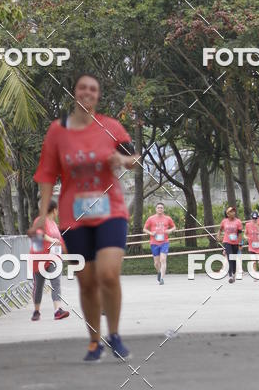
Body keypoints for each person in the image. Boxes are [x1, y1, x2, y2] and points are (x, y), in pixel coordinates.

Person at [33, 74, 140, 362]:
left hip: (111, 210)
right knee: (87, 281)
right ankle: (95, 341)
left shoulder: (112, 127)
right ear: (74, 93)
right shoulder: (57, 132)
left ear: (98, 96)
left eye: (93, 89)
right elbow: (46, 175)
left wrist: (122, 160)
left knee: (108, 274)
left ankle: (114, 334)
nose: (88, 93)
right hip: (74, 216)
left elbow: (133, 158)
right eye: (83, 88)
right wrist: (43, 215)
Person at [27, 199, 70, 322]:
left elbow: (60, 242)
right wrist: (51, 240)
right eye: (57, 210)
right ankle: (36, 311)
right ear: (54, 210)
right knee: (38, 286)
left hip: (53, 259)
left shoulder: (54, 226)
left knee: (56, 283)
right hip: (39, 258)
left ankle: (58, 310)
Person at [143, 203, 176, 285]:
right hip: (154, 242)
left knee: (163, 259)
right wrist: (151, 233)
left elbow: (174, 227)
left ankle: (161, 279)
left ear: (163, 209)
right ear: (156, 209)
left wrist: (170, 230)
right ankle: (159, 272)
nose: (160, 209)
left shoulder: (167, 218)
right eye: (158, 208)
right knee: (156, 263)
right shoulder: (151, 218)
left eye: (161, 208)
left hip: (165, 242)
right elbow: (144, 229)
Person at [218, 205, 243, 283]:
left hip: (235, 242)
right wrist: (218, 235)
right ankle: (230, 275)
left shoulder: (238, 221)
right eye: (231, 212)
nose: (233, 213)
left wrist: (240, 243)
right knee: (230, 257)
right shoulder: (224, 221)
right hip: (227, 241)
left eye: (234, 211)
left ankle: (234, 273)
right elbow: (220, 229)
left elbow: (240, 234)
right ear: (228, 214)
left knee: (234, 259)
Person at [245, 210, 259, 279]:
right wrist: (247, 237)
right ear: (251, 218)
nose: (254, 220)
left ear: (258, 218)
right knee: (253, 261)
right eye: (253, 218)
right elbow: (245, 234)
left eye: (256, 218)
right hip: (252, 246)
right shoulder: (248, 225)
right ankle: (255, 276)